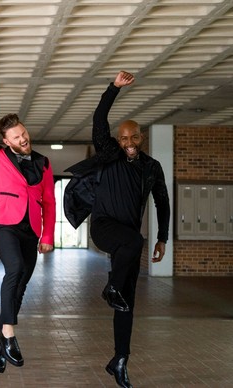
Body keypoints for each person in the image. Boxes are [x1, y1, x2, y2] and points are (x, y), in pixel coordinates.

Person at [63, 71, 170, 388]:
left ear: (141, 137)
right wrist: (113, 89)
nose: (128, 143)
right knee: (134, 242)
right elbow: (99, 118)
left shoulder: (152, 167)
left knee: (127, 301)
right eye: (123, 138)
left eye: (133, 137)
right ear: (117, 140)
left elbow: (161, 202)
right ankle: (111, 286)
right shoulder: (109, 155)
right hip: (105, 228)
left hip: (129, 244)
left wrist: (163, 237)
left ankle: (120, 360)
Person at [0, 78, 56, 373]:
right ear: (6, 141)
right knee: (15, 270)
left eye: (23, 133)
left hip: (31, 228)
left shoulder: (44, 163)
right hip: (4, 223)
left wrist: (48, 234)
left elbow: (49, 201)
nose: (22, 139)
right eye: (16, 137)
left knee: (20, 286)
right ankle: (9, 336)